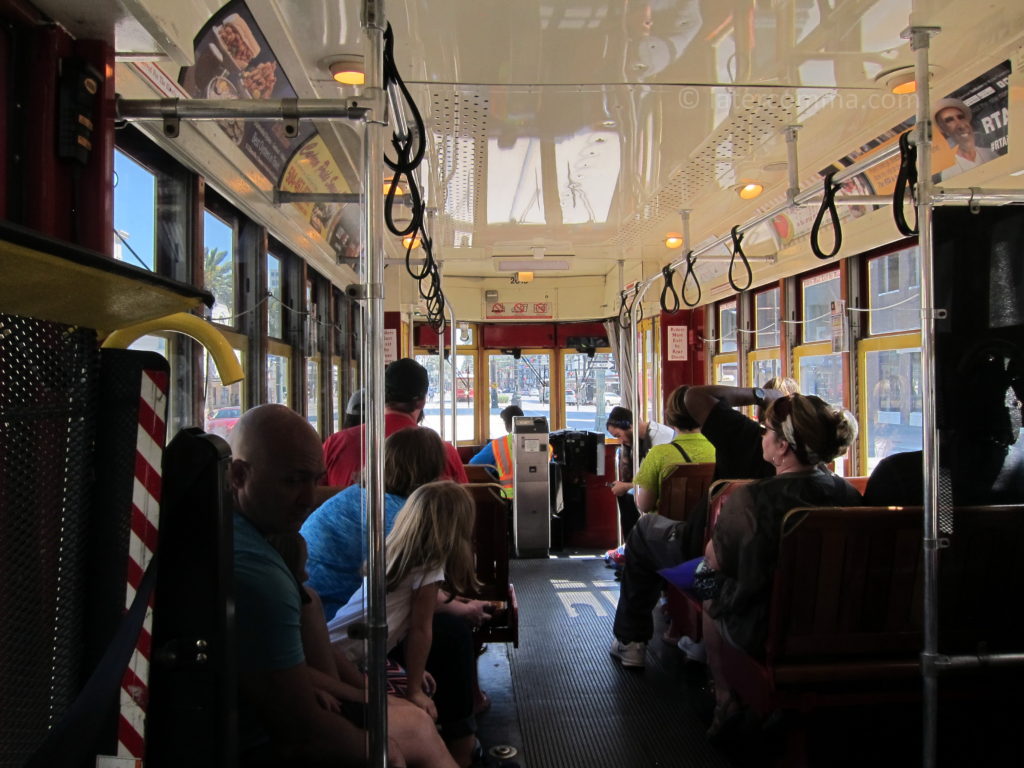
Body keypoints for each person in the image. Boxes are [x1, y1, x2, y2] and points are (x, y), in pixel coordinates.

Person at [608, 380, 801, 669]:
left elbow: (646, 506)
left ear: (779, 439)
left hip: (708, 547)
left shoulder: (742, 446)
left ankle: (631, 640)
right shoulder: (838, 492)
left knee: (643, 532)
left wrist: (760, 396)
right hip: (780, 574)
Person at [700, 395, 861, 740]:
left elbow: (719, 561)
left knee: (705, 581)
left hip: (765, 631)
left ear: (783, 446)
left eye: (767, 430)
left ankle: (725, 697)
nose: (761, 436)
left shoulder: (749, 500)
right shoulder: (848, 495)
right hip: (843, 625)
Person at [228, 403, 368, 766]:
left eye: (315, 480)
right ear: (238, 475)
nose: (308, 499)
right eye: (292, 481)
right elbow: (304, 736)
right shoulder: (261, 577)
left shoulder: (239, 534)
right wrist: (383, 752)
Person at [267, 531, 459, 768]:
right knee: (417, 724)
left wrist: (365, 690)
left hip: (334, 685)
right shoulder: (285, 605)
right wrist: (358, 694)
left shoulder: (307, 599)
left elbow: (325, 654)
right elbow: (289, 672)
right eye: (300, 571)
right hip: (311, 708)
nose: (307, 575)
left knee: (414, 710)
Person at [328, 482, 478, 723]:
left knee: (420, 681)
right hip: (347, 661)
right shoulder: (428, 567)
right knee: (422, 696)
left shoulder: (392, 552)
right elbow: (420, 630)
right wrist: (414, 689)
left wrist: (416, 674)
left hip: (338, 647)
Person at [303, 427, 447, 618]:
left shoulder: (355, 496)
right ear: (431, 471)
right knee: (452, 630)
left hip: (308, 607)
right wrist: (466, 608)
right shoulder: (402, 516)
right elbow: (417, 590)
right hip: (339, 618)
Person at [321, 358, 468, 492]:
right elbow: (464, 507)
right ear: (422, 401)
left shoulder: (335, 444)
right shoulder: (443, 452)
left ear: (382, 396)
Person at [633, 386, 716, 513]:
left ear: (671, 416)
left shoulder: (658, 455)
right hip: (706, 528)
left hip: (667, 529)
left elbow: (645, 505)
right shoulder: (717, 450)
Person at [605, 406, 674, 538]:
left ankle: (633, 544)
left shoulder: (660, 439)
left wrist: (626, 486)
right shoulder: (638, 441)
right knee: (626, 496)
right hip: (658, 489)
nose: (621, 441)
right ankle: (630, 544)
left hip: (667, 492)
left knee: (629, 497)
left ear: (630, 426)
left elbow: (658, 479)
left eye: (619, 435)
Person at [932, 97, 996, 183]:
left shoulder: (989, 153)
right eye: (949, 120)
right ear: (943, 130)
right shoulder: (949, 172)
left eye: (961, 117)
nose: (961, 125)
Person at [468, 404, 523, 497]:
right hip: (540, 496)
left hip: (508, 498)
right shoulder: (543, 443)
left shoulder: (499, 444)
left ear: (507, 424)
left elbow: (473, 465)